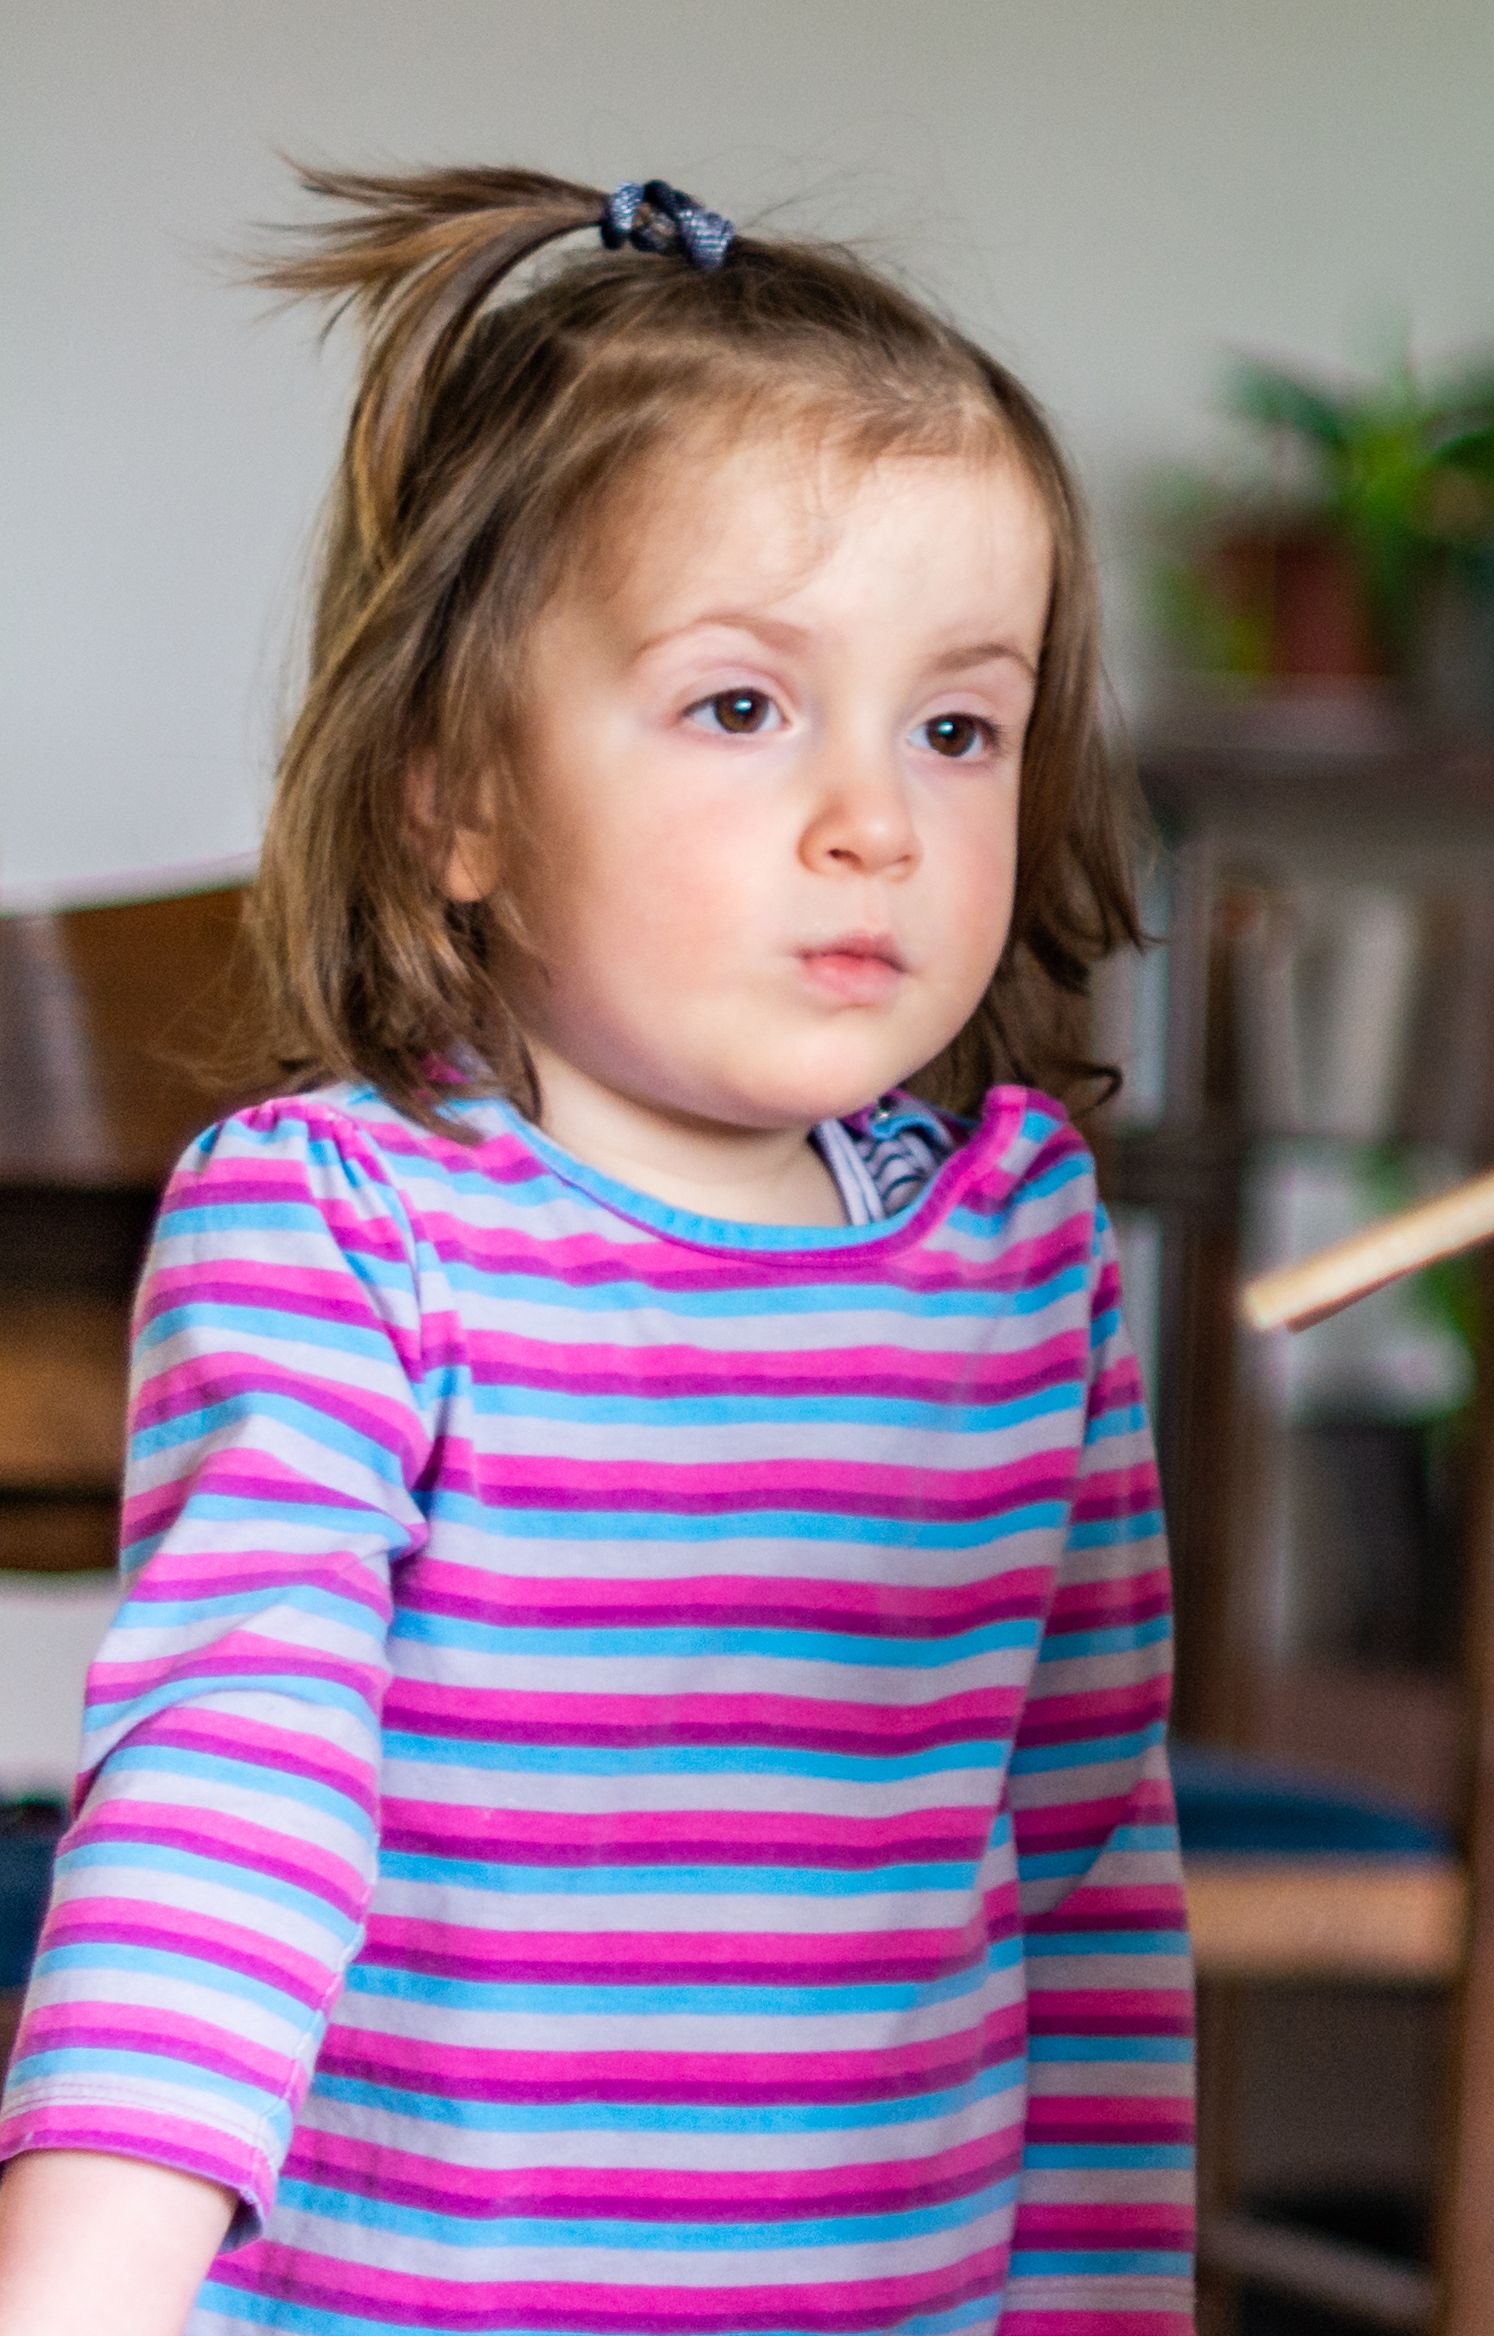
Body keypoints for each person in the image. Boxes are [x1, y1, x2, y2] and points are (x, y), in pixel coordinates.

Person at [0, 174, 1188, 2331]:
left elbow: (1086, 1866)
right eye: (744, 706)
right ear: (454, 791)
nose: (877, 817)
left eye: (958, 723)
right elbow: (222, 1795)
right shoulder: (345, 1224)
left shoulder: (1024, 1263)